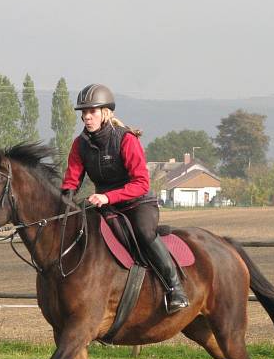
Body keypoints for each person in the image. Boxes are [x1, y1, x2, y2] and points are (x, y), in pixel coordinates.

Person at [60, 83, 189, 313]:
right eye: (84, 113)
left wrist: (108, 197)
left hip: (138, 203)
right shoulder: (80, 144)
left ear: (105, 113)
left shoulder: (125, 139)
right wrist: (64, 202)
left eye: (92, 112)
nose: (87, 117)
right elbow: (72, 179)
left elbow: (141, 183)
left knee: (144, 233)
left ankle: (175, 288)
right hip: (106, 205)